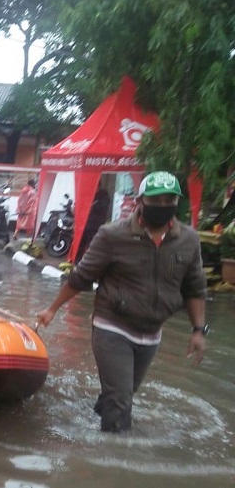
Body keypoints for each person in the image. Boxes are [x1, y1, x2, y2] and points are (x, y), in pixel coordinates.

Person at [35, 171, 207, 433]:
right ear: (140, 201)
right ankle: (113, 462)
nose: (162, 206)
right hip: (112, 326)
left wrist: (198, 330)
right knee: (120, 401)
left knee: (121, 394)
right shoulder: (112, 235)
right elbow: (82, 276)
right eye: (155, 200)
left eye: (168, 200)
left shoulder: (188, 240)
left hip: (151, 333)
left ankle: (91, 429)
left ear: (176, 202)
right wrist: (52, 309)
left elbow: (195, 287)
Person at [75, 187, 111, 263]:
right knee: (80, 245)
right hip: (85, 225)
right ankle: (77, 261)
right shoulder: (89, 194)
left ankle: (90, 262)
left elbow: (103, 207)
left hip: (95, 225)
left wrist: (93, 205)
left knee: (92, 245)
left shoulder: (103, 195)